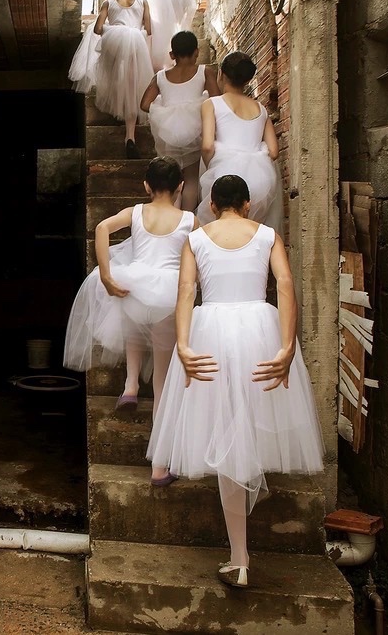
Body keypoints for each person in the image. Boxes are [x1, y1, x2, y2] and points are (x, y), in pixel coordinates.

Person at [146, 175, 324, 587]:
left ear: (211, 205)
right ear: (247, 205)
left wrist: (185, 346)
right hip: (259, 331)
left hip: (211, 333)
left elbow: (186, 291)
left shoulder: (197, 238)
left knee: (227, 435)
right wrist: (287, 346)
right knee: (244, 432)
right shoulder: (266, 234)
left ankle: (240, 558)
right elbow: (285, 285)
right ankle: (240, 556)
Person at [64, 157, 198, 486]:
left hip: (136, 287)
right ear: (181, 186)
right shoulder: (189, 220)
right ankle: (159, 467)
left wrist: (107, 276)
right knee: (164, 384)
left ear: (146, 186)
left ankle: (130, 385)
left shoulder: (136, 212)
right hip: (168, 295)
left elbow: (101, 228)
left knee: (134, 322)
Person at [69, 0, 154, 158]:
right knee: (133, 89)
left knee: (117, 82)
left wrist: (114, 29)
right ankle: (130, 136)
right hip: (136, 47)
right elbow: (149, 29)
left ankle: (118, 113)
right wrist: (132, 32)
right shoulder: (143, 2)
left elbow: (98, 29)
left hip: (115, 48)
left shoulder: (109, 3)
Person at [196, 52, 284, 232]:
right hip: (260, 179)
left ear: (221, 74)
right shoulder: (261, 108)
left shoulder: (212, 104)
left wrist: (212, 166)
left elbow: (207, 145)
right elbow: (274, 151)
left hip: (224, 175)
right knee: (249, 231)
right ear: (247, 80)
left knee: (220, 230)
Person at [141, 31, 221, 212]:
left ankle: (172, 214)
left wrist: (165, 111)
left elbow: (145, 104)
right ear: (197, 52)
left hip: (169, 130)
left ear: (172, 55)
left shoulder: (160, 76)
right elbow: (217, 99)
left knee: (172, 175)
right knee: (191, 177)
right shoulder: (204, 72)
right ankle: (186, 215)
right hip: (194, 129)